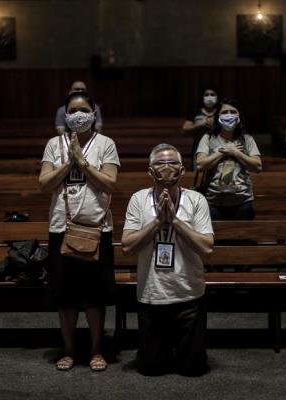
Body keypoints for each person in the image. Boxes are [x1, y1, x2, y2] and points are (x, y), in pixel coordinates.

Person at [39, 90, 119, 372]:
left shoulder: (106, 144)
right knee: (66, 297)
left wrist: (83, 162)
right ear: (65, 114)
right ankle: (69, 349)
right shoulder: (53, 144)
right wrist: (69, 161)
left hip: (96, 229)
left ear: (94, 113)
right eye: (72, 110)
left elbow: (110, 184)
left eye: (84, 109)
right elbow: (45, 184)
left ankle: (97, 350)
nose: (78, 115)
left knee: (94, 296)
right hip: (62, 227)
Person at [121, 143, 214, 377]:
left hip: (189, 293)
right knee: (151, 369)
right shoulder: (138, 199)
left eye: (172, 162)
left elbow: (206, 246)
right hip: (152, 295)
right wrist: (156, 223)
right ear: (150, 171)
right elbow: (127, 246)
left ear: (182, 170)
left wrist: (175, 221)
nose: (166, 167)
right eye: (160, 163)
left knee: (193, 369)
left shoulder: (196, 200)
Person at [195, 99, 262, 221]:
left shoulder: (247, 139)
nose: (229, 115)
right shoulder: (208, 138)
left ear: (239, 116)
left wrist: (236, 153)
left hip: (242, 201)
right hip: (213, 201)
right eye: (225, 112)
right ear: (218, 116)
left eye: (233, 112)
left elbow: (257, 167)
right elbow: (200, 165)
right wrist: (223, 151)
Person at [182, 87, 219, 170]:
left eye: (212, 95)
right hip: (199, 148)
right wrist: (201, 124)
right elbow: (185, 128)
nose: (209, 97)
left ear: (217, 97)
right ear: (202, 97)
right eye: (207, 95)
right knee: (198, 173)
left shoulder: (221, 112)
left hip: (218, 148)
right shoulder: (196, 112)